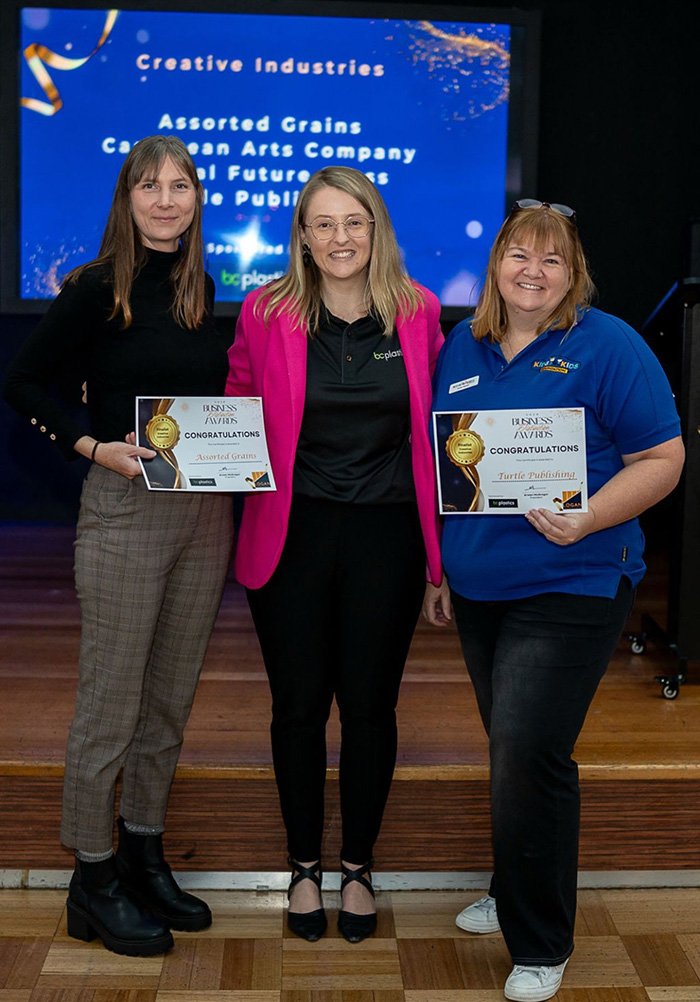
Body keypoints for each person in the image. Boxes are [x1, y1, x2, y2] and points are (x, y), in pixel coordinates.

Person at [423, 199, 684, 1001]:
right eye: (519, 256)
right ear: (496, 263)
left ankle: (540, 942)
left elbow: (663, 458)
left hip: (574, 581)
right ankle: (513, 884)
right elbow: (447, 466)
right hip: (478, 586)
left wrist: (589, 518)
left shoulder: (609, 345)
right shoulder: (459, 347)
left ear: (574, 274)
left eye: (552, 261)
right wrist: (440, 570)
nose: (532, 272)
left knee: (530, 754)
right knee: (511, 749)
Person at [3, 135, 234, 957]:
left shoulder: (206, 289)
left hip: (206, 512)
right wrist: (92, 445)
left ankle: (142, 850)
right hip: (126, 506)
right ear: (126, 197)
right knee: (112, 704)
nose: (167, 199)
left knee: (170, 699)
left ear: (198, 198)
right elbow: (23, 381)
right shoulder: (96, 287)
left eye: (181, 185)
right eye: (150, 186)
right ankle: (91, 874)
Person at [226, 165, 443, 943]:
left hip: (387, 535)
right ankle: (302, 869)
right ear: (302, 236)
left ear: (375, 228)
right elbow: (236, 407)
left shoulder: (416, 312)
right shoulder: (265, 310)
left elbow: (434, 435)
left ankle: (356, 866)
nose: (340, 238)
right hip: (294, 533)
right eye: (323, 224)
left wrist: (438, 565)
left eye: (355, 222)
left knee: (372, 708)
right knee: (297, 707)